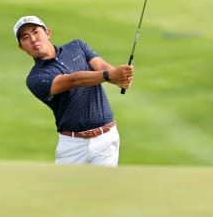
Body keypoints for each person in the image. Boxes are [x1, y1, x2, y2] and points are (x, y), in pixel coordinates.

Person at [13, 15, 134, 166]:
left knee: (103, 189)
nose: (33, 39)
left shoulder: (78, 47)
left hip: (105, 138)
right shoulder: (36, 78)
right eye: (25, 37)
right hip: (72, 146)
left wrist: (119, 78)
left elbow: (102, 66)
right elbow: (74, 80)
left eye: (36, 32)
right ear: (21, 47)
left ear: (48, 33)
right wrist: (110, 75)